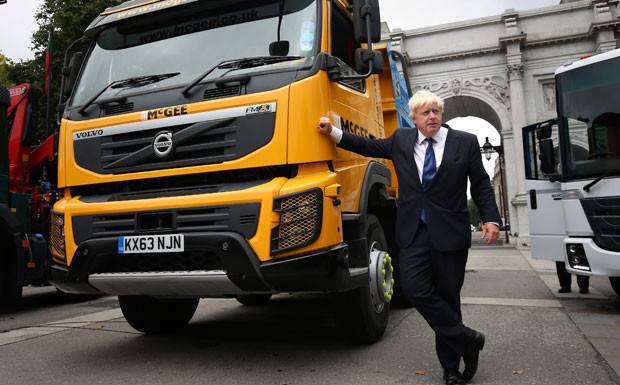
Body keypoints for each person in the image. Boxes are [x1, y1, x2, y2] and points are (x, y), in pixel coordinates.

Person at [317, 90, 501, 385]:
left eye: (436, 111)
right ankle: (468, 339)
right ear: (413, 118)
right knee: (415, 290)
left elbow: (480, 184)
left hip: (450, 233)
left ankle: (451, 368)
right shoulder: (401, 140)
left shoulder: (464, 142)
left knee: (448, 299)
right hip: (414, 231)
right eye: (426, 112)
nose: (433, 117)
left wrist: (491, 218)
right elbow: (367, 145)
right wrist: (334, 132)